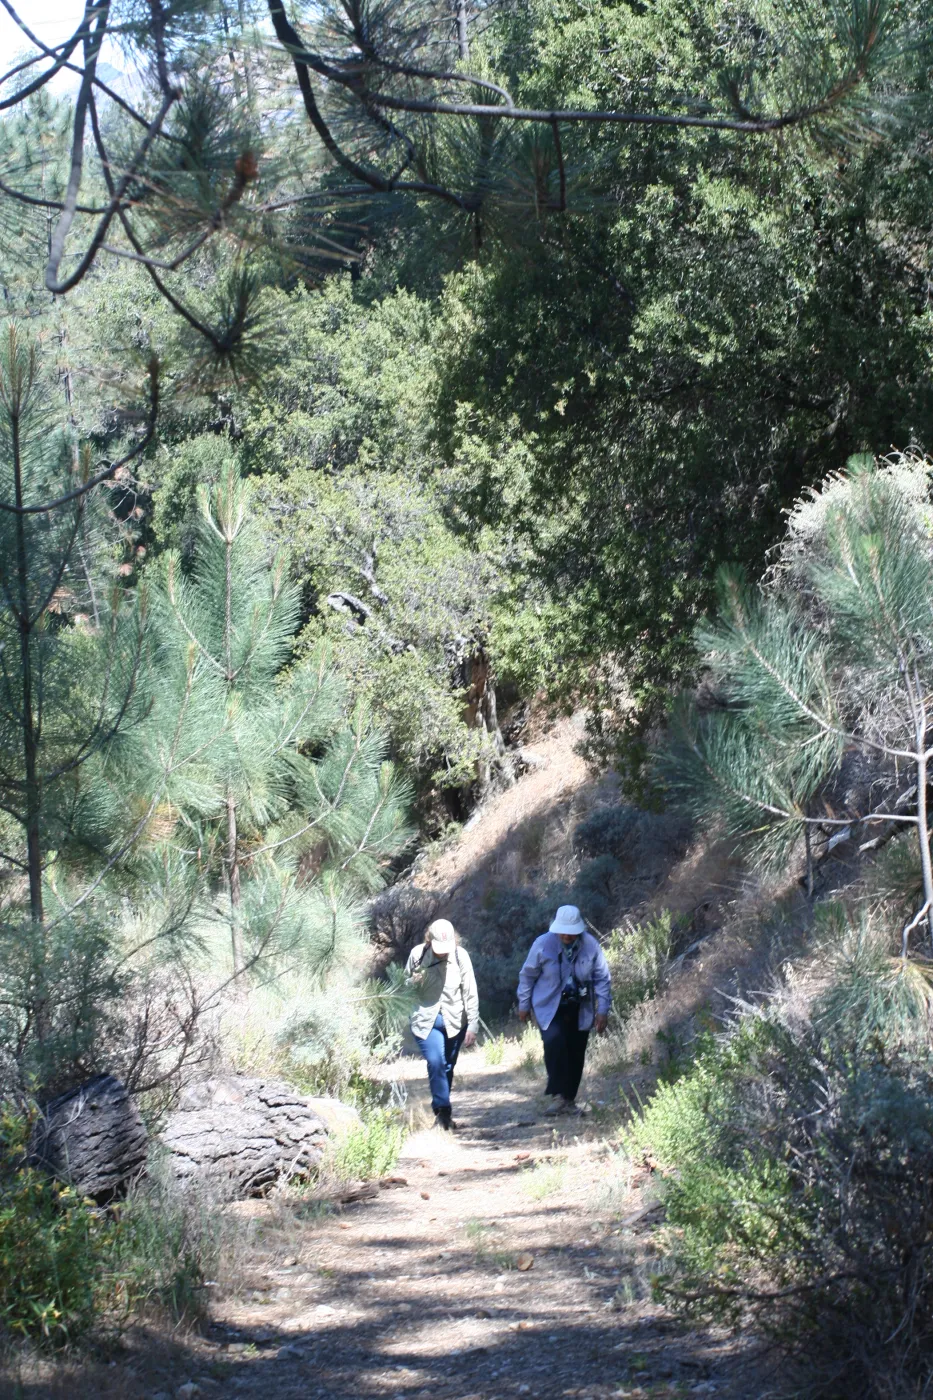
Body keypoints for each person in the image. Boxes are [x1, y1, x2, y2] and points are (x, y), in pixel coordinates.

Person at [516, 904, 611, 1116]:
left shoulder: (591, 946)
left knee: (576, 1051)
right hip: (549, 1006)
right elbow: (527, 975)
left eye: (572, 932)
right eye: (563, 931)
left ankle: (569, 1100)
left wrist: (602, 1010)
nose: (567, 935)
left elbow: (602, 979)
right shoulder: (542, 944)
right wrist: (524, 1004)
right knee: (554, 1044)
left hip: (580, 1007)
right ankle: (558, 1096)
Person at [405, 918, 479, 1130]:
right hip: (425, 1020)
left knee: (447, 1066)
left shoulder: (460, 955)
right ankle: (443, 1112)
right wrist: (413, 982)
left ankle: (442, 1113)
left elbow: (470, 991)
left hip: (455, 1020)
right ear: (429, 940)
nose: (443, 952)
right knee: (436, 1061)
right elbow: (403, 987)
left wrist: (473, 1025)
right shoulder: (417, 955)